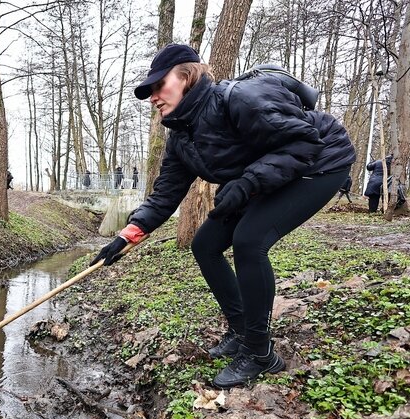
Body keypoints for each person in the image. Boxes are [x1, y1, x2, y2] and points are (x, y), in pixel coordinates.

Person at [92, 44, 355, 389]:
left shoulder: (242, 99)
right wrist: (128, 235)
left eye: (159, 85)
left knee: (249, 241)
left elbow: (304, 142)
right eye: (149, 91)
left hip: (321, 163)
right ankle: (242, 329)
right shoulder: (180, 137)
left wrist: (247, 183)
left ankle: (260, 354)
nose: (153, 97)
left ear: (186, 77)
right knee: (205, 245)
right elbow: (166, 194)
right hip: (266, 175)